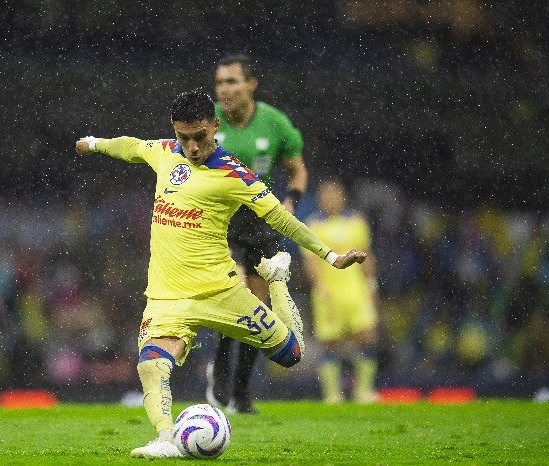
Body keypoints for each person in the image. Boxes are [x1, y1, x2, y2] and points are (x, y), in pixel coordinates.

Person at [75, 89, 366, 459]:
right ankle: (166, 440)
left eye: (200, 136)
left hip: (221, 291)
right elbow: (131, 146)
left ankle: (277, 282)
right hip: (168, 296)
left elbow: (280, 217)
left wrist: (330, 255)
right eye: (184, 137)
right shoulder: (165, 153)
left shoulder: (234, 173)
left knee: (292, 354)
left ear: (215, 126)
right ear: (174, 131)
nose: (193, 146)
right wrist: (97, 143)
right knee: (151, 366)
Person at [206, 53, 308, 414]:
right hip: (220, 222)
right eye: (219, 83)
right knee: (237, 295)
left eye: (231, 81)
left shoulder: (275, 123)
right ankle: (218, 363)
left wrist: (291, 201)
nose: (224, 90)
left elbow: (297, 170)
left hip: (260, 221)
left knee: (261, 308)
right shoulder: (208, 123)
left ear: (251, 84)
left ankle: (242, 390)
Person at [301, 179, 379, 403]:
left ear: (342, 196)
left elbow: (367, 256)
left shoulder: (357, 222)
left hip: (356, 291)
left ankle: (363, 391)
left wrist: (371, 286)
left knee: (367, 337)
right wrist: (319, 287)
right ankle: (332, 395)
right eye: (325, 195)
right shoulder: (313, 225)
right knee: (330, 343)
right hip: (328, 293)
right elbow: (310, 261)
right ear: (320, 199)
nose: (330, 199)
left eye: (334, 194)